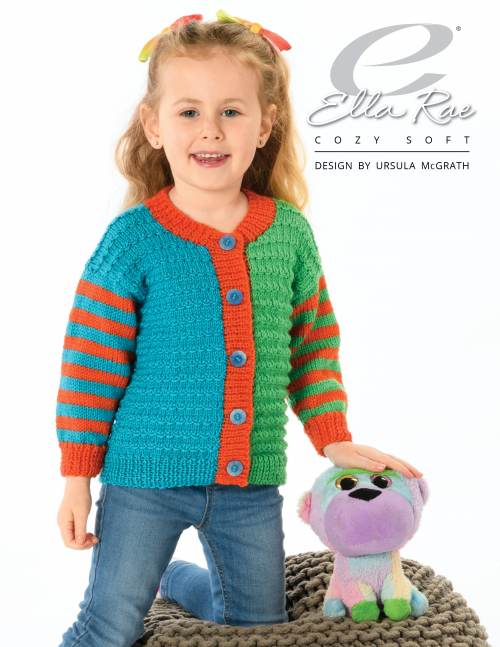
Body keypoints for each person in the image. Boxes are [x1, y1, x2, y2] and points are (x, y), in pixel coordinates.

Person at [55, 11, 423, 647]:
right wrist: (76, 478)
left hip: (249, 482)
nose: (211, 129)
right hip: (143, 478)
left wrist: (332, 437)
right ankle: (167, 579)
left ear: (265, 125)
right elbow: (91, 363)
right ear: (153, 124)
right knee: (109, 624)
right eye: (189, 111)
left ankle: (182, 583)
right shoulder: (134, 239)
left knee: (260, 629)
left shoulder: (288, 233)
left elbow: (313, 346)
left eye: (231, 111)